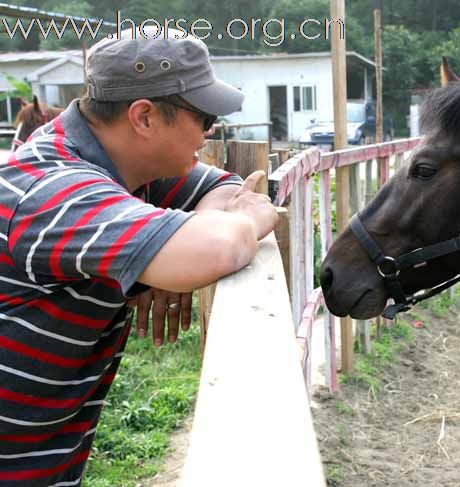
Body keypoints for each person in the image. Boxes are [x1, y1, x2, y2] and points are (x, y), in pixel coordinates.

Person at [0, 28, 278, 485]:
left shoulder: (126, 169)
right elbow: (220, 245)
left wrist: (168, 258)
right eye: (204, 117)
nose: (211, 132)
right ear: (144, 118)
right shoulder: (55, 191)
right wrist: (238, 223)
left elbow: (223, 186)